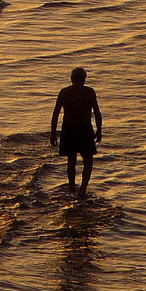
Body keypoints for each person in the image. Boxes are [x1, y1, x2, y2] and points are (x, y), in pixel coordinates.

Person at [49, 67, 103, 199]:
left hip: (75, 129)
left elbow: (56, 114)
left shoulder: (66, 92)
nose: (79, 81)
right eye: (78, 79)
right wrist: (99, 131)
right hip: (78, 129)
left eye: (80, 79)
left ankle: (77, 190)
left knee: (75, 161)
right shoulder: (87, 92)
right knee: (82, 161)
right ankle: (78, 190)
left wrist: (53, 133)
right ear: (73, 79)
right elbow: (96, 112)